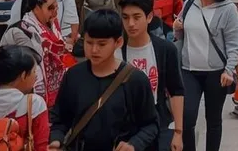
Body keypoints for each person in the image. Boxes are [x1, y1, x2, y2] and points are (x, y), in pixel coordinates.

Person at [49, 9, 158, 151]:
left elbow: (151, 125)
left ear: (118, 42)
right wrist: (56, 139)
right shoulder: (73, 76)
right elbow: (60, 119)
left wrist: (134, 144)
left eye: (102, 44)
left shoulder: (135, 80)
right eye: (89, 43)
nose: (94, 50)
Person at [171, 0, 238, 151]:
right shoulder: (189, 4)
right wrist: (177, 28)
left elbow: (234, 44)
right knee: (187, 117)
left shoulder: (227, 9)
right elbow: (181, 37)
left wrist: (229, 69)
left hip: (216, 73)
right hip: (189, 69)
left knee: (213, 119)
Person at [119, 0, 185, 151]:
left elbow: (175, 90)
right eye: (126, 18)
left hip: (157, 119)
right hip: (123, 124)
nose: (131, 24)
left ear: (149, 17)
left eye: (136, 17)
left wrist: (178, 131)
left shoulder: (165, 49)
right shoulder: (117, 48)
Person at [0, 0, 62, 100]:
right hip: (23, 97)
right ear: (36, 7)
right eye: (50, 7)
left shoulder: (53, 25)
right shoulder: (22, 32)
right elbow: (34, 71)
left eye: (56, 6)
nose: (55, 12)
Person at [0, 45, 49, 151]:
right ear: (23, 75)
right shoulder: (34, 104)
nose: (36, 76)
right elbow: (41, 146)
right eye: (34, 72)